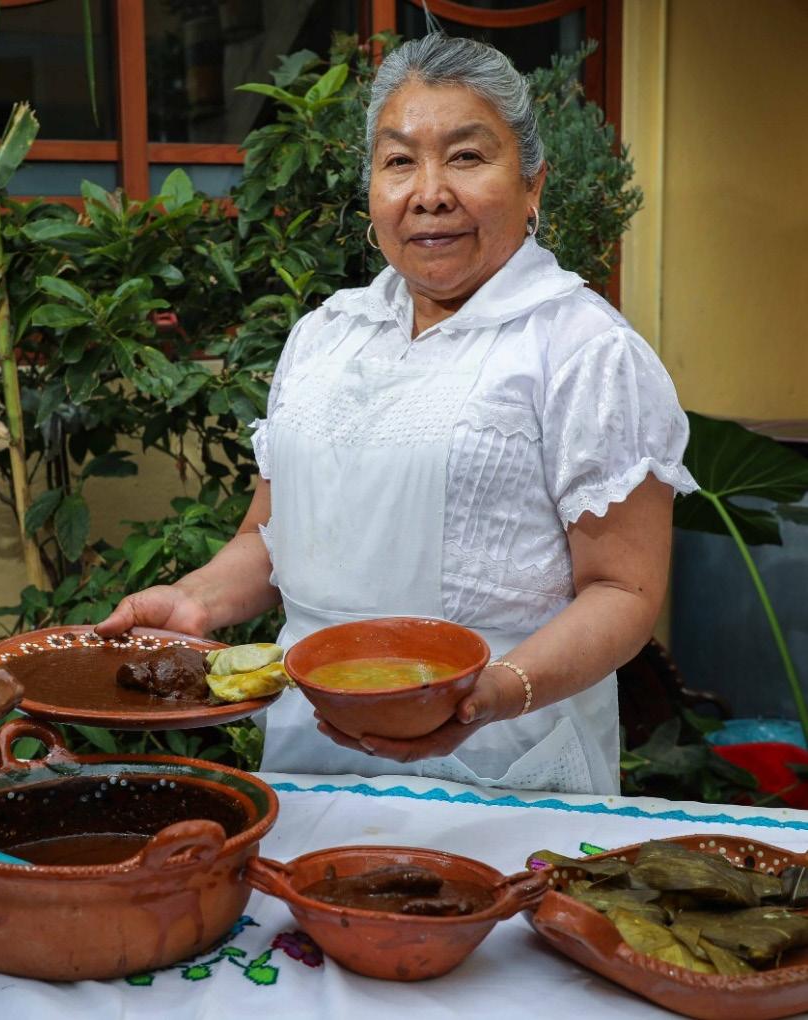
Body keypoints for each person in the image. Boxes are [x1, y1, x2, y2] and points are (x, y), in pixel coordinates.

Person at [97, 34, 697, 795]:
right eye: (400, 161)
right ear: (372, 188)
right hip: (315, 749)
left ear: (532, 183)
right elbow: (267, 538)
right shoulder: (325, 336)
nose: (430, 193)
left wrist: (487, 693)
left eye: (467, 157)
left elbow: (623, 593)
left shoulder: (583, 350)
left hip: (503, 757)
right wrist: (196, 600)